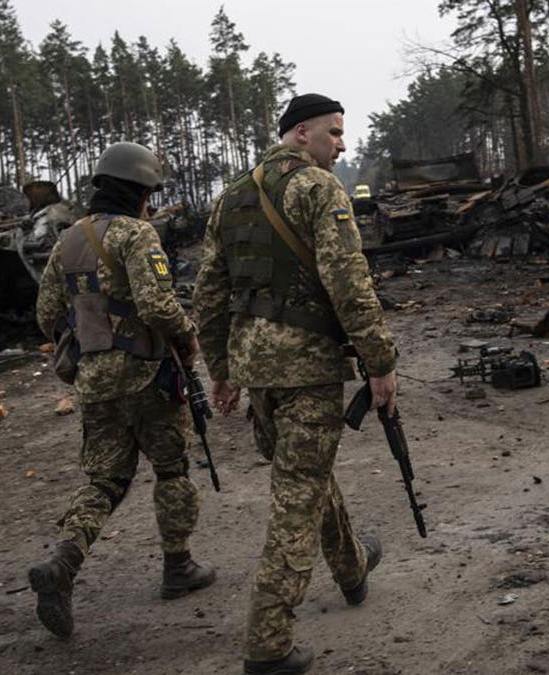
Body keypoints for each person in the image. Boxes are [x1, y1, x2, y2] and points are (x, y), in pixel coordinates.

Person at [194, 93, 398, 674]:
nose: (342, 144)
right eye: (334, 133)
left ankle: (353, 567)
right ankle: (268, 642)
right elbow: (349, 283)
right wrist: (380, 360)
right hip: (306, 367)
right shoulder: (318, 190)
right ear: (301, 133)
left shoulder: (230, 196)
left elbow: (208, 293)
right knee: (296, 499)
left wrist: (223, 371)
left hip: (257, 370)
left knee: (303, 475)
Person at [28, 141, 216, 640]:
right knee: (172, 469)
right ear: (139, 192)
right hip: (148, 374)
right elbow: (157, 304)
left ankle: (63, 563)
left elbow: (47, 316)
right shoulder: (138, 236)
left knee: (105, 481)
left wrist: (92, 337)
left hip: (93, 380)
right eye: (150, 192)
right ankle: (179, 567)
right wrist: (188, 333)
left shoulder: (67, 240)